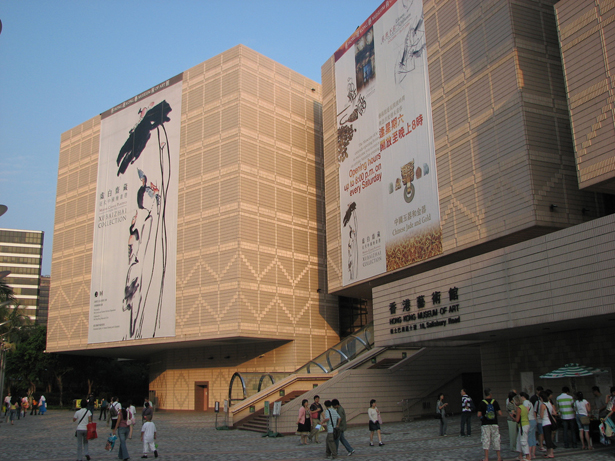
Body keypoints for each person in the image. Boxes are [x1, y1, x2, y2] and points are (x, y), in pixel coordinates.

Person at [477, 388, 503, 461]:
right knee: (496, 439)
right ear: (491, 394)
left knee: (486, 439)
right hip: (494, 423)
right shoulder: (495, 402)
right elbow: (500, 413)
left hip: (485, 424)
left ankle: (486, 457)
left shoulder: (482, 403)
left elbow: (479, 414)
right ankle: (499, 457)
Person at [73, 396, 92, 461]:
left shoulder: (77, 412)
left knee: (79, 444)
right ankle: (86, 453)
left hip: (79, 429)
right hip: (86, 429)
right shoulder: (88, 412)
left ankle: (79, 458)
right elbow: (90, 420)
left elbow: (74, 420)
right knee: (86, 442)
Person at [539, 391, 557, 459]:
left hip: (545, 422)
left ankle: (550, 453)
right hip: (550, 422)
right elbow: (554, 412)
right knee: (549, 437)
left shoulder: (542, 405)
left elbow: (541, 415)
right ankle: (548, 452)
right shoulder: (549, 403)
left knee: (547, 438)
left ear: (541, 398)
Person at [513, 395, 530, 461]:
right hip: (526, 424)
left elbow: (517, 420)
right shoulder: (524, 407)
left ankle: (527, 456)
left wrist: (512, 417)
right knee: (519, 440)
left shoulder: (519, 408)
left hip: (523, 425)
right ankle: (520, 455)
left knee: (523, 440)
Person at [520, 392, 537, 460]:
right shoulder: (530, 402)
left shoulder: (525, 403)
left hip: (529, 420)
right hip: (533, 420)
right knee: (533, 437)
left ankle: (528, 454)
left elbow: (526, 411)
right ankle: (533, 453)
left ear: (522, 397)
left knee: (528, 437)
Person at [531, 386, 545, 451]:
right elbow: (534, 411)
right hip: (539, 419)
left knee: (542, 432)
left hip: (544, 420)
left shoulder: (546, 402)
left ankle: (542, 442)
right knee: (540, 432)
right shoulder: (535, 400)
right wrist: (535, 418)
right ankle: (540, 443)